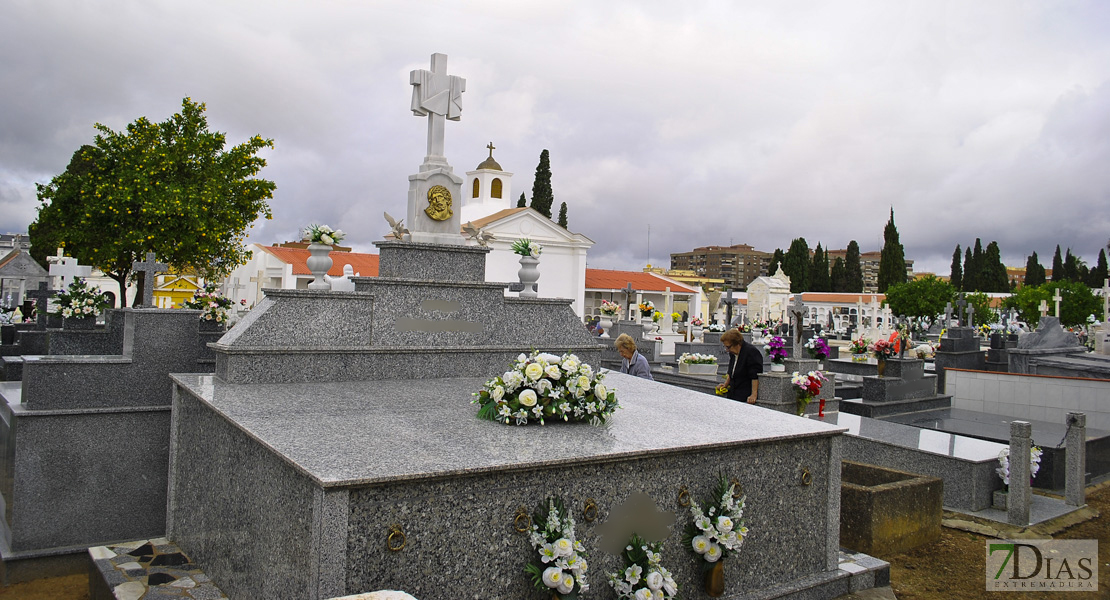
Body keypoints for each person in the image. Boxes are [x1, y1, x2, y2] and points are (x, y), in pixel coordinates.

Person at [718, 328, 762, 403]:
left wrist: (754, 394)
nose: (727, 350)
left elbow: (755, 375)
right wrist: (725, 384)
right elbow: (731, 370)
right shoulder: (733, 352)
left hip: (744, 394)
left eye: (728, 347)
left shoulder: (751, 352)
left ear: (737, 344)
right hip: (733, 392)